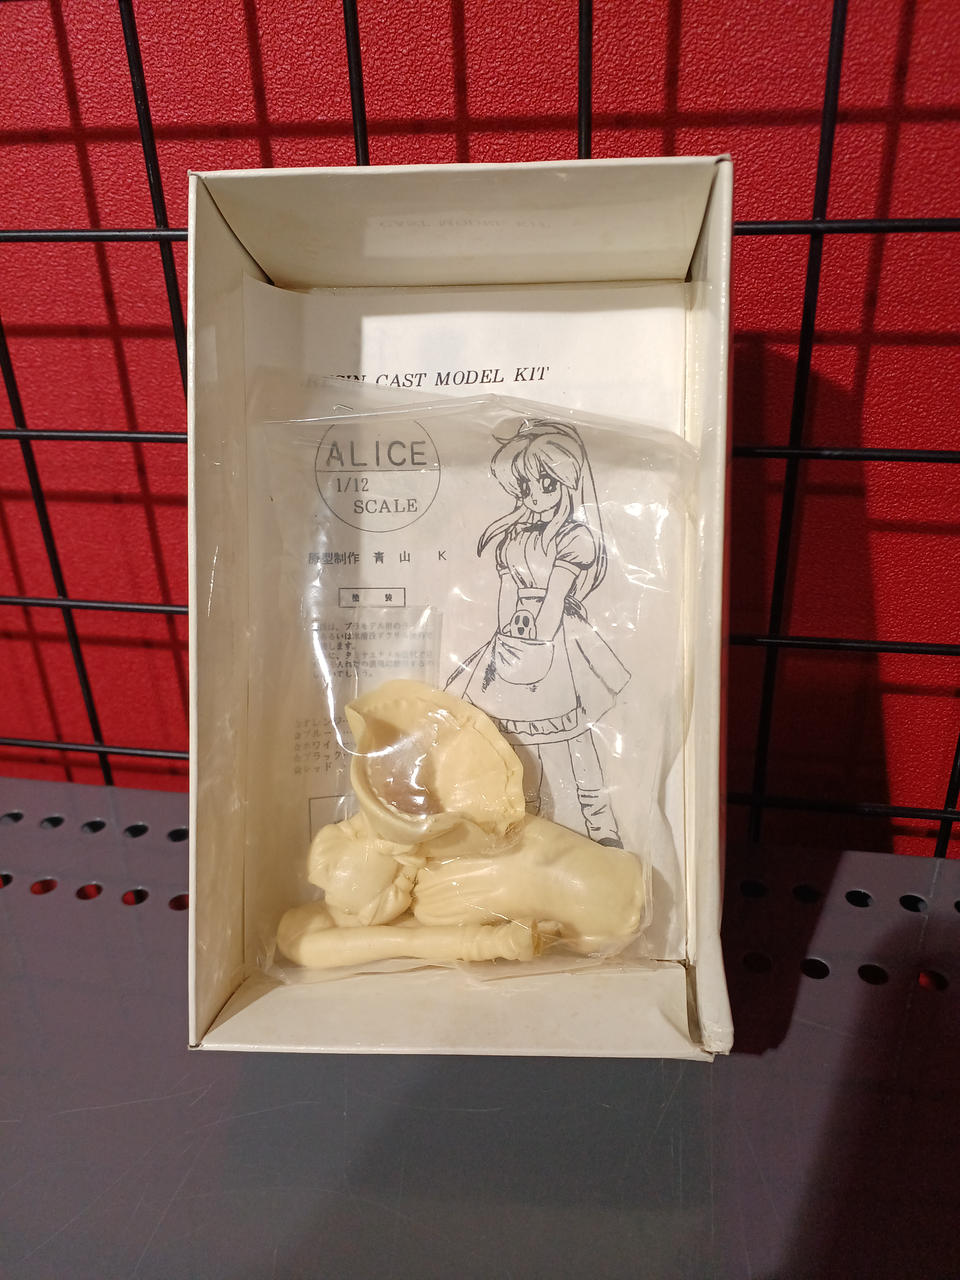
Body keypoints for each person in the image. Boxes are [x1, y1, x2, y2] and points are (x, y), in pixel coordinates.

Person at [447, 418, 629, 846]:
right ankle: (526, 822)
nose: (535, 495)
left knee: (575, 734)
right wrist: (509, 638)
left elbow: (556, 595)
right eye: (526, 486)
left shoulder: (575, 537)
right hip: (518, 637)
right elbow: (507, 595)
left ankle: (601, 826)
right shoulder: (514, 539)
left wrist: (537, 639)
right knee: (518, 738)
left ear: (567, 481)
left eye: (546, 483)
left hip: (558, 638)